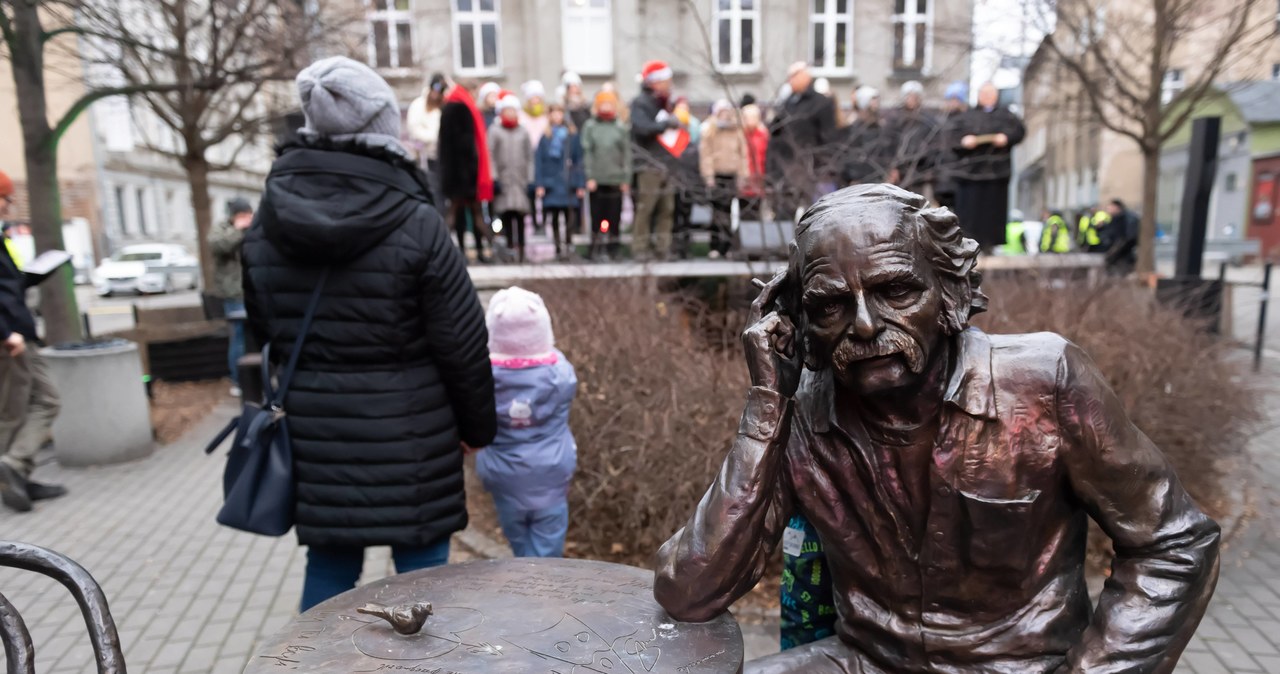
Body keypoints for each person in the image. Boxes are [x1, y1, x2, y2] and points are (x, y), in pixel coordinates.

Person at [655, 183, 1220, 673]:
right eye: (829, 306)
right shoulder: (799, 413)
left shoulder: (1045, 381)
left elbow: (1176, 546)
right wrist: (765, 407)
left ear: (949, 293)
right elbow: (689, 590)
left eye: (896, 291)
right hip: (865, 662)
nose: (866, 325)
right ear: (798, 321)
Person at [241, 56, 496, 610]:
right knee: (427, 583)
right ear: (382, 125)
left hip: (316, 434)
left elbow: (265, 330)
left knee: (329, 569)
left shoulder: (267, 221)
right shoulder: (416, 219)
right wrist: (479, 429)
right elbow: (462, 342)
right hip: (414, 435)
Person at [476, 287, 578, 558]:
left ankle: (523, 577)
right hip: (551, 473)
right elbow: (562, 367)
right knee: (548, 545)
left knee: (518, 541)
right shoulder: (560, 377)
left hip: (503, 477)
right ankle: (537, 590)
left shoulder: (482, 378)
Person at [0, 170, 67, 514]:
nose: (9, 205)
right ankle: (12, 467)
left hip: (18, 333)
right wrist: (5, 332)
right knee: (25, 407)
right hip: (11, 338)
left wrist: (35, 275)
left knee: (26, 406)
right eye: (5, 198)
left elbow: (7, 287)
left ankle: (18, 474)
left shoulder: (1, 236)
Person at [951, 82, 1025, 250]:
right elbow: (951, 138)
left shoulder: (1006, 116)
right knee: (970, 214)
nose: (987, 97)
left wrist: (1006, 137)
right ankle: (968, 245)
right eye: (984, 94)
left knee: (992, 213)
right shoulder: (967, 117)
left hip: (996, 172)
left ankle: (990, 246)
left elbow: (1019, 131)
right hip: (970, 173)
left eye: (990, 94)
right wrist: (964, 142)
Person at [767, 62, 838, 221]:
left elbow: (828, 138)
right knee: (783, 212)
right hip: (786, 168)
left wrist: (824, 167)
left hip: (810, 169)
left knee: (811, 216)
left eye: (793, 77)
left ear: (804, 77)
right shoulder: (787, 103)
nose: (789, 81)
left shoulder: (821, 103)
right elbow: (775, 135)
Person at [439, 79, 497, 263]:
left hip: (453, 173)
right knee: (472, 213)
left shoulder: (450, 106)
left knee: (458, 215)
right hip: (465, 173)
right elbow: (466, 145)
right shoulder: (463, 108)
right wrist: (473, 170)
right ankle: (485, 250)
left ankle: (461, 252)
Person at [630, 60, 678, 260]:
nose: (669, 84)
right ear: (654, 82)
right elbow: (641, 128)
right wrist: (664, 124)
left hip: (666, 163)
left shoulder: (665, 103)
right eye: (666, 80)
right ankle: (640, 249)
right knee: (646, 207)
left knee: (667, 208)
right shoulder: (640, 103)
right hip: (648, 164)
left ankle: (662, 248)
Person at [207, 197, 254, 396]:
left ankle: (262, 375)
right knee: (238, 338)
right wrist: (239, 230)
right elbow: (219, 247)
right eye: (242, 215)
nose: (246, 218)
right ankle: (238, 380)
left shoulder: (256, 225)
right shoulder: (222, 231)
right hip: (234, 293)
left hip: (255, 290)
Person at [580, 90, 632, 261]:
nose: (606, 107)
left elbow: (626, 155)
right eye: (603, 103)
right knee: (596, 217)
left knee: (614, 217)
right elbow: (587, 153)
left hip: (615, 179)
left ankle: (614, 249)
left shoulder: (620, 127)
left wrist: (626, 178)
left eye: (609, 103)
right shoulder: (590, 127)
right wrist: (590, 176)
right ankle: (595, 249)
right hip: (597, 180)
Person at [535, 103, 585, 260]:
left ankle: (569, 245)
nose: (557, 116)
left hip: (568, 182)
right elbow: (539, 162)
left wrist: (579, 183)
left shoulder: (572, 137)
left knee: (570, 216)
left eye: (559, 113)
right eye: (554, 113)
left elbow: (579, 160)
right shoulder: (545, 137)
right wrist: (540, 183)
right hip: (552, 183)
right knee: (555, 217)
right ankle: (557, 247)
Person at [699, 99, 748, 259]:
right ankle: (714, 246)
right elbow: (705, 155)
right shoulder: (710, 130)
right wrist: (709, 176)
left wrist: (743, 175)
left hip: (731, 175)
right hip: (716, 175)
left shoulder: (737, 131)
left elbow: (743, 155)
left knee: (729, 212)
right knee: (716, 212)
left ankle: (726, 246)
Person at [490, 94, 535, 263]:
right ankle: (509, 249)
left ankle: (522, 250)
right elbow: (491, 155)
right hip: (503, 181)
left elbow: (529, 157)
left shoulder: (523, 132)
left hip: (520, 182)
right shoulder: (495, 131)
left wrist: (530, 179)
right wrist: (494, 177)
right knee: (505, 218)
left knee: (521, 218)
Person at [884, 80, 938, 195]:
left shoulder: (927, 120)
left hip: (920, 170)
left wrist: (929, 167)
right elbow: (889, 144)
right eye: (909, 96)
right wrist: (892, 167)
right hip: (900, 170)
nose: (912, 99)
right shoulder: (895, 118)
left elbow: (933, 144)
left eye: (915, 96)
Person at [406, 73, 448, 204]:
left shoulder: (443, 106)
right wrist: (433, 137)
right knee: (432, 188)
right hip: (426, 154)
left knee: (442, 190)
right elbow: (414, 129)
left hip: (442, 154)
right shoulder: (419, 105)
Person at [839, 86, 890, 186]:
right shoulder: (854, 129)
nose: (876, 103)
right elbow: (850, 156)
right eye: (873, 100)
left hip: (878, 179)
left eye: (876, 100)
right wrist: (853, 176)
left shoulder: (881, 127)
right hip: (859, 182)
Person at [935, 81, 969, 210]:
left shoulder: (968, 120)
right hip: (942, 176)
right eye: (951, 99)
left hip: (961, 175)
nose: (953, 103)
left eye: (956, 99)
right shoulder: (940, 122)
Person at [740, 103, 769, 221]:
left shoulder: (764, 135)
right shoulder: (740, 136)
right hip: (743, 181)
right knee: (743, 214)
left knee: (757, 214)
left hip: (759, 181)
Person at [1105, 198, 1140, 275]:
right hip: (1117, 255)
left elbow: (1128, 238)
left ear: (1116, 207)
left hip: (1123, 256)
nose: (1108, 209)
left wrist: (1114, 253)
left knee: (1120, 276)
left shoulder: (1124, 219)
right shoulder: (1114, 219)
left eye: (1110, 207)